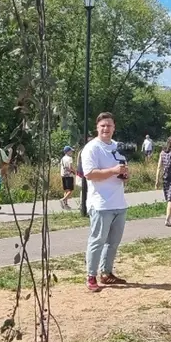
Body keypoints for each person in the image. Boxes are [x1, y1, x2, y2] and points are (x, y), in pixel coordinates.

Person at [82, 112, 129, 293]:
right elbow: (90, 174)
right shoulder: (92, 148)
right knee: (97, 241)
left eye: (109, 125)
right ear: (97, 127)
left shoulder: (118, 147)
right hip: (100, 203)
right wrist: (113, 170)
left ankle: (106, 272)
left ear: (114, 127)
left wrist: (124, 175)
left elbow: (123, 171)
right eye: (103, 126)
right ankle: (91, 276)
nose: (106, 129)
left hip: (119, 202)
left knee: (113, 242)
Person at [59, 146, 76, 211]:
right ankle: (63, 199)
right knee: (70, 190)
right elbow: (70, 167)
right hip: (69, 175)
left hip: (63, 175)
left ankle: (65, 204)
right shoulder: (70, 158)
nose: (72, 152)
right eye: (71, 151)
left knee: (66, 189)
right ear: (68, 152)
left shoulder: (63, 158)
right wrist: (75, 172)